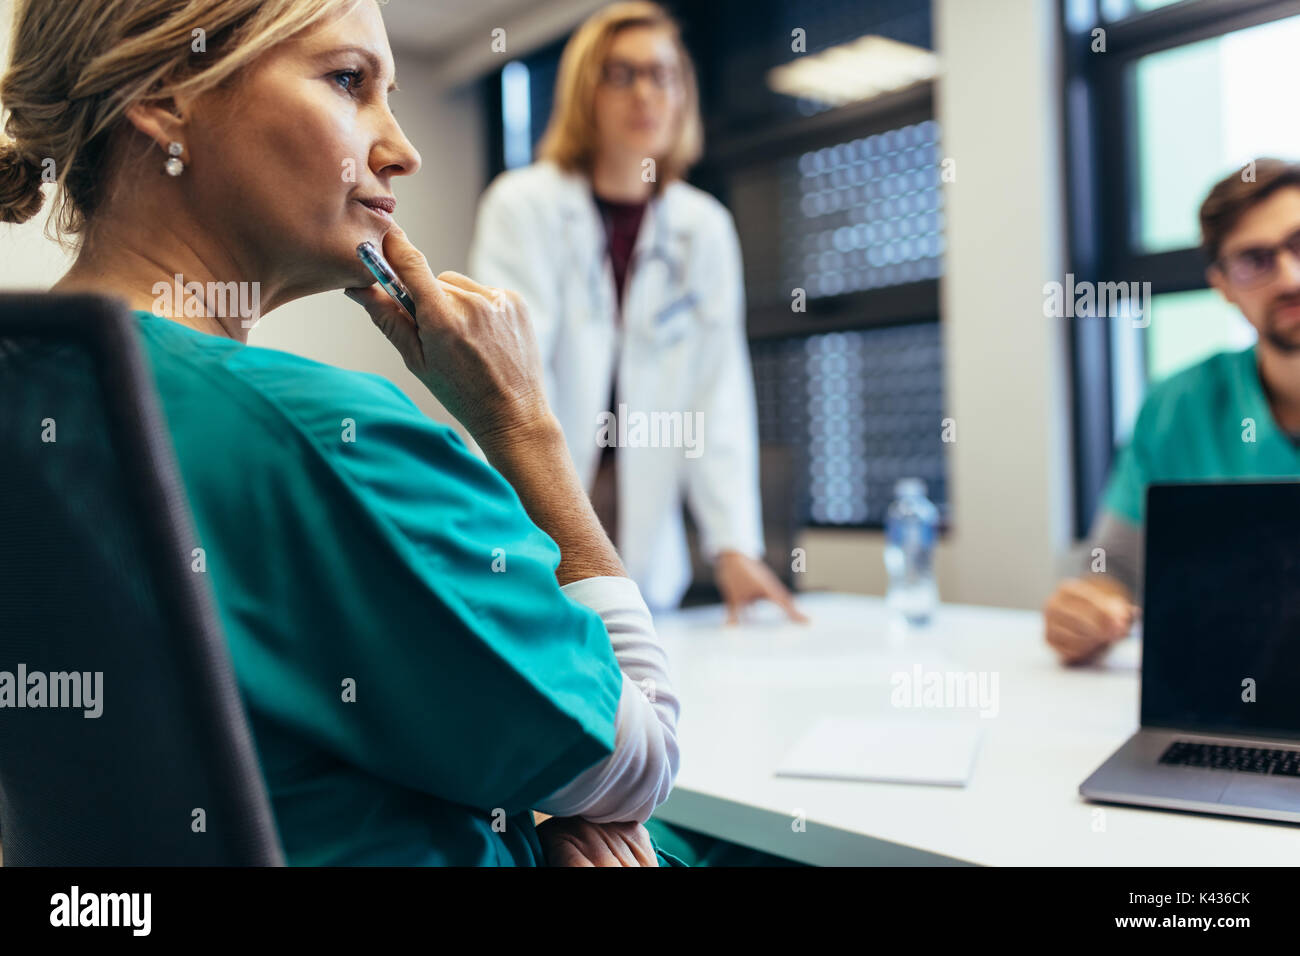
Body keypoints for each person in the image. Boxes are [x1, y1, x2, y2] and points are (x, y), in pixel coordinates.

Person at [0, 0, 682, 866]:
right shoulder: (327, 437)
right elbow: (643, 756)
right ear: (166, 94)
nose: (402, 150)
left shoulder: (27, 378)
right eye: (350, 81)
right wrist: (523, 427)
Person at [468, 2, 806, 624]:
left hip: (647, 522)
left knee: (654, 688)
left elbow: (717, 390)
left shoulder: (702, 228)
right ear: (584, 91)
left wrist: (733, 544)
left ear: (683, 94)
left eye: (663, 74)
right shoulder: (523, 206)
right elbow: (505, 366)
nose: (645, 92)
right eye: (620, 74)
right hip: (545, 492)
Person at [1045, 158, 1300, 665]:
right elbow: (1115, 567)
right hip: (1233, 703)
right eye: (1255, 259)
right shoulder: (1176, 408)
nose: (1290, 277)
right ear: (1223, 286)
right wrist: (1091, 608)